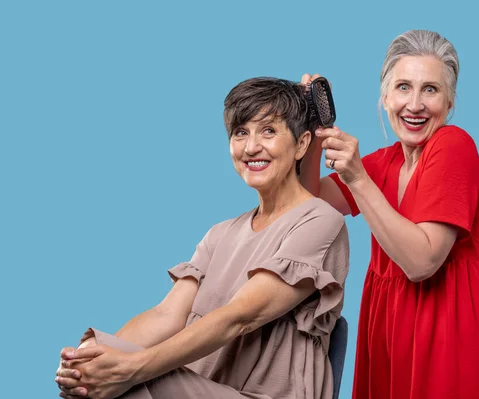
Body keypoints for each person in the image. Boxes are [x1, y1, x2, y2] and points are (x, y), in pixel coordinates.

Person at [55, 77, 350, 399]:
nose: (251, 147)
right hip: (203, 387)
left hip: (266, 395)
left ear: (302, 144)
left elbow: (240, 317)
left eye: (268, 131)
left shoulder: (321, 220)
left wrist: (131, 367)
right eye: (240, 133)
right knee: (92, 356)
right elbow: (166, 315)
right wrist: (100, 359)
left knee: (132, 379)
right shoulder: (221, 233)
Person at [300, 30, 479, 398]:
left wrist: (357, 179)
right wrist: (315, 132)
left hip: (449, 332)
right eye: (403, 87)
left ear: (449, 103)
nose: (414, 104)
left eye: (430, 89)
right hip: (388, 332)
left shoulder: (453, 146)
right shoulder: (383, 164)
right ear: (385, 98)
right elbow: (305, 202)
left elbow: (421, 262)